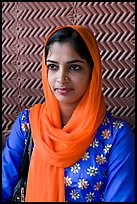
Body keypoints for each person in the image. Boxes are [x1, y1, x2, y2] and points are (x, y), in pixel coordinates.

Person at [2, 25, 135, 202]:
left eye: (74, 67)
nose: (61, 77)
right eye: (53, 66)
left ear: (93, 72)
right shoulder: (28, 124)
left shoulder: (115, 135)